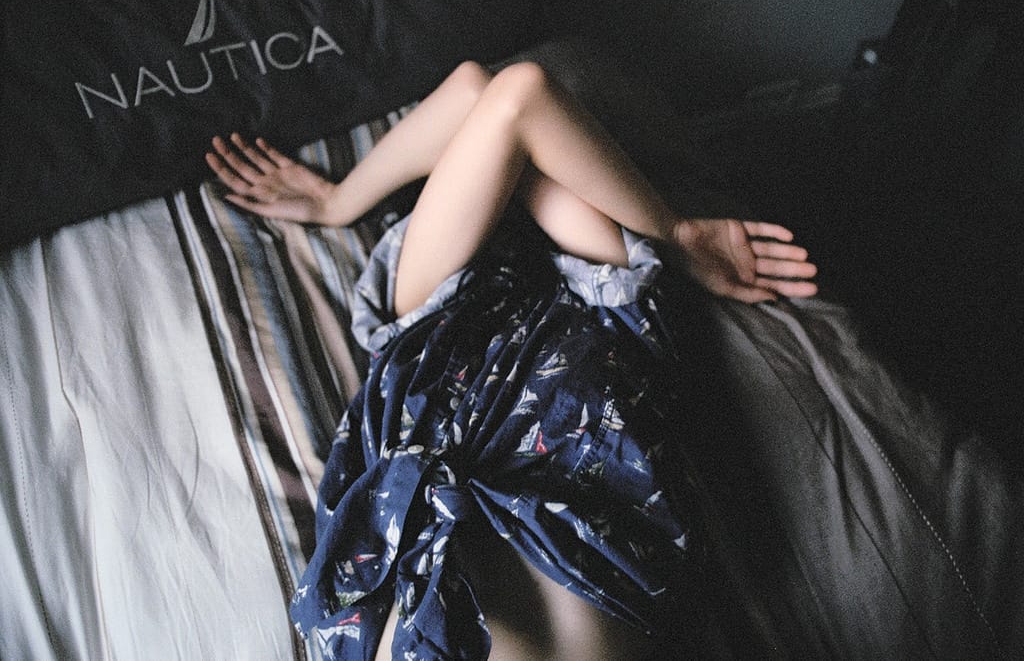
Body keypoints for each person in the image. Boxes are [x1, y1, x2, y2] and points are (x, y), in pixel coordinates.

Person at [206, 60, 817, 660]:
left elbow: (502, 98)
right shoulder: (606, 271)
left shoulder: (472, 279)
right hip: (545, 416)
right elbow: (501, 96)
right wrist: (672, 233)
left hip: (463, 367)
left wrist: (344, 200)